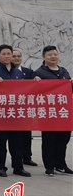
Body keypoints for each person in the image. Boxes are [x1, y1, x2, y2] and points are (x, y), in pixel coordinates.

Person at [0, 44, 29, 177]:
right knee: (1, 141)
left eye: (9, 54)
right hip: (1, 112)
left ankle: (18, 167)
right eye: (3, 54)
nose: (7, 56)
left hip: (16, 112)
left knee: (17, 142)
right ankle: (0, 167)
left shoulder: (18, 72)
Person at [32, 46, 73, 176]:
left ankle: (61, 165)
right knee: (49, 140)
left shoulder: (64, 71)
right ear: (44, 57)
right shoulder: (39, 73)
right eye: (50, 55)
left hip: (63, 112)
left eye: (55, 54)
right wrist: (36, 83)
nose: (53, 57)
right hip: (48, 113)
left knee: (63, 140)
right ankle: (49, 166)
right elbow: (34, 92)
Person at [12, 50, 38, 167]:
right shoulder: (7, 72)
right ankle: (16, 158)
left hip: (26, 107)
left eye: (19, 56)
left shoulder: (29, 72)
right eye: (14, 56)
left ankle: (27, 157)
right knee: (15, 137)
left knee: (27, 134)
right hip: (11, 108)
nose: (17, 58)